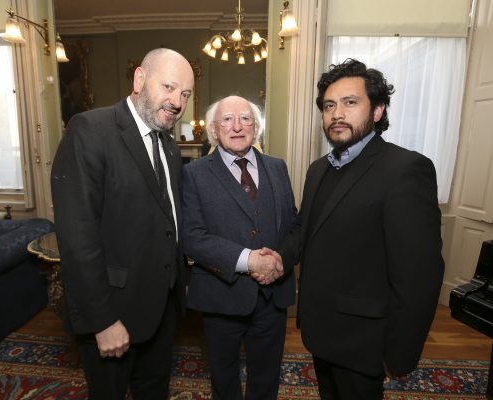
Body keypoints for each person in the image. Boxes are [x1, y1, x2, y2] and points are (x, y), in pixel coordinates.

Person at [279, 59, 445, 399]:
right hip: (320, 332)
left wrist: (399, 353)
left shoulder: (405, 170)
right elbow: (304, 230)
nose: (337, 113)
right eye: (329, 105)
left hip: (364, 343)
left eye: (349, 102)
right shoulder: (317, 170)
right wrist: (272, 258)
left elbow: (419, 276)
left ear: (378, 110)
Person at [50, 48, 194, 399]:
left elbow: (167, 222)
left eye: (185, 94)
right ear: (139, 79)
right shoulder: (90, 131)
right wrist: (102, 321)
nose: (176, 101)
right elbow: (77, 237)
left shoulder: (170, 148)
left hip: (160, 311)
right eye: (169, 87)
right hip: (113, 314)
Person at [181, 95, 297, 400]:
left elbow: (293, 225)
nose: (237, 126)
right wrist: (249, 261)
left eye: (245, 118)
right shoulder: (193, 174)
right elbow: (192, 236)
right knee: (223, 378)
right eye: (227, 120)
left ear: (256, 127)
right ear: (214, 130)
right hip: (222, 297)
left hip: (273, 296)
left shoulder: (277, 167)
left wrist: (279, 261)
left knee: (266, 377)